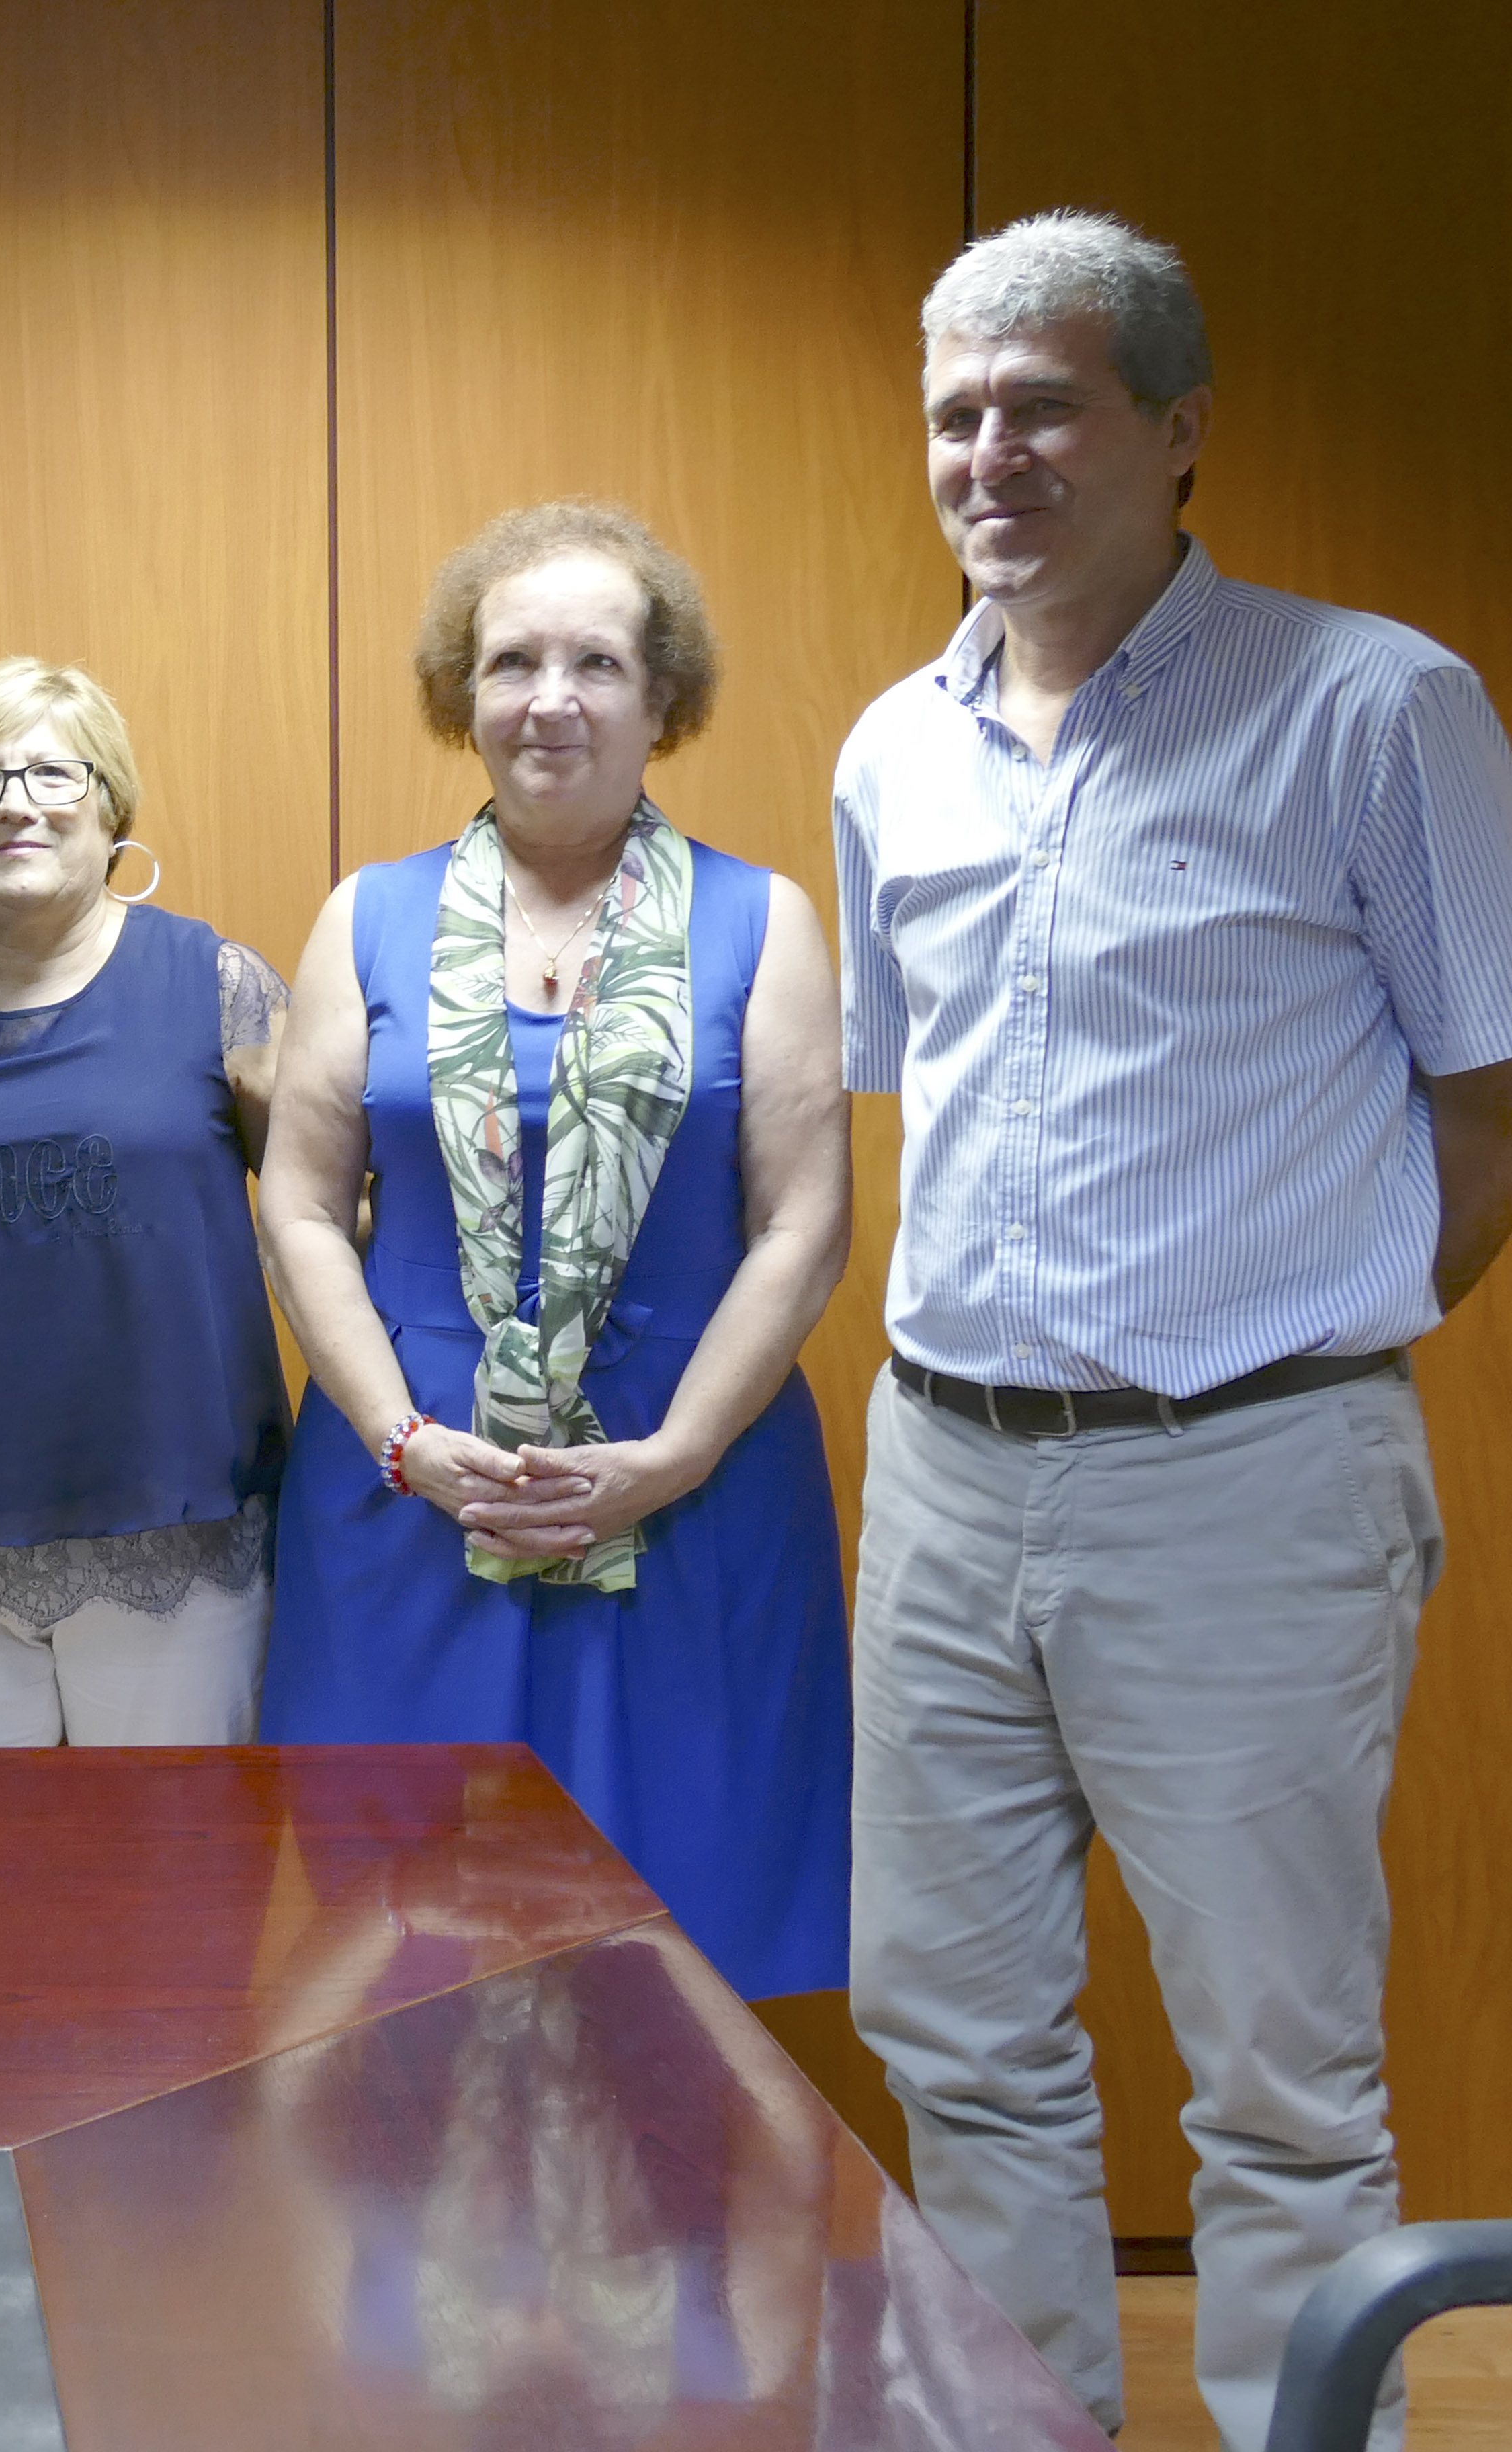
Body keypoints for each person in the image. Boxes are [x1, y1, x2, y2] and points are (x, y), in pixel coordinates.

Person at [835, 212, 1512, 2452]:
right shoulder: (893, 749)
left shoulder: (1374, 706)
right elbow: (909, 1094)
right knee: (956, 2037)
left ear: (1181, 425)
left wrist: (1295, 1350)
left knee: (1281, 2078)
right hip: (945, 1471)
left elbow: (1488, 1109)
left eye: (1044, 404)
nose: (990, 453)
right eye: (956, 413)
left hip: (1251, 1472)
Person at [257, 503, 854, 2004]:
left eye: (598, 663)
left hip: (686, 1491)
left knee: (679, 1927)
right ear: (462, 694)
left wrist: (672, 1457)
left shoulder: (763, 921)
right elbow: (303, 1205)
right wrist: (401, 1440)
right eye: (513, 662)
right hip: (410, 1484)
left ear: (665, 700)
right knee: (401, 1951)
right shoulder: (367, 917)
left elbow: (803, 1222)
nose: (551, 699)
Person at [0, 659, 290, 1744]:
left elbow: (322, 1231)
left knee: (181, 1857)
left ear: (111, 805)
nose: (17, 803)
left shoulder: (221, 988)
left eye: (54, 771)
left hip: (182, 1544)